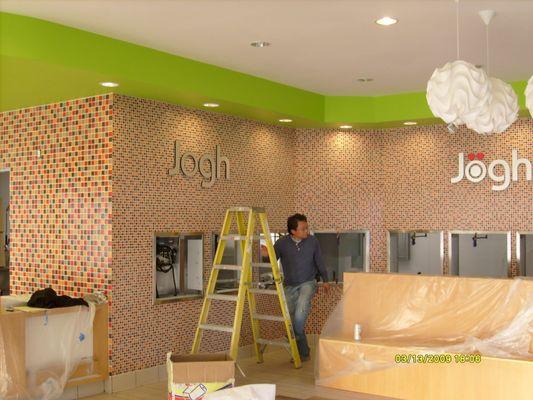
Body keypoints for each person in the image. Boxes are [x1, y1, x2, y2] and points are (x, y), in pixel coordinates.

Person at [274, 213, 329, 361]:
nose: (307, 231)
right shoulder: (281, 243)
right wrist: (265, 254)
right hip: (289, 285)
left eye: (307, 228)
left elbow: (320, 261)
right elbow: (271, 260)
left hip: (308, 283)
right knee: (292, 321)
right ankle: (303, 353)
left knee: (300, 314)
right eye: (303, 229)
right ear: (293, 231)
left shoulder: (313, 241)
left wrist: (325, 280)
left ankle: (294, 335)